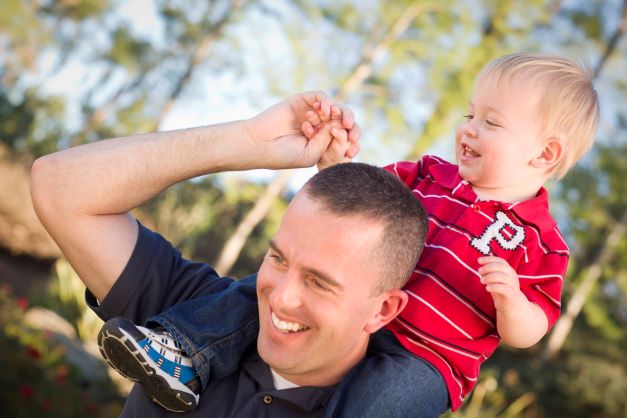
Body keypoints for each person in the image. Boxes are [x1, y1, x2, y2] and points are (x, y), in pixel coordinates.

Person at [92, 52, 600, 417]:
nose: (468, 128)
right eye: (470, 114)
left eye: (491, 122)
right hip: (349, 312)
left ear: (546, 154)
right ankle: (183, 353)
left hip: (425, 359)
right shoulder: (430, 174)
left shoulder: (541, 241)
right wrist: (333, 162)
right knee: (256, 293)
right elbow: (355, 201)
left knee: (383, 404)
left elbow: (530, 330)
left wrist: (511, 301)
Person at [29, 91, 433, 417]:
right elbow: (60, 187)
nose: (279, 297)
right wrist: (247, 141)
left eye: (318, 282)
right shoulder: (193, 319)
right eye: (278, 259)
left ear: (382, 310)